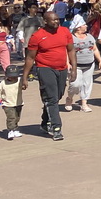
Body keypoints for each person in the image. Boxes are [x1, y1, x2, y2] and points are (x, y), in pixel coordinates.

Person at [23, 10, 77, 141]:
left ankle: (44, 123)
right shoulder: (37, 36)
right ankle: (56, 128)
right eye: (53, 20)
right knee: (52, 99)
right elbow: (30, 58)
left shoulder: (65, 32)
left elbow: (71, 50)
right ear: (45, 22)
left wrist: (74, 68)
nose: (57, 21)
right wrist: (25, 77)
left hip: (62, 68)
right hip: (45, 68)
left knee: (57, 96)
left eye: (57, 19)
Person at [66, 21, 101, 112]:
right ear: (78, 27)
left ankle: (84, 103)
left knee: (87, 84)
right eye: (84, 25)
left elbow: (95, 49)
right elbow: (66, 51)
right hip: (76, 66)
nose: (86, 26)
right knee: (75, 84)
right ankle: (69, 98)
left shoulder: (89, 36)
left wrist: (100, 60)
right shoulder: (71, 37)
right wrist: (67, 63)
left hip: (89, 64)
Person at [0, 65, 26, 139]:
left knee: (17, 117)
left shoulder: (19, 81)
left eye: (15, 76)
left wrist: (24, 85)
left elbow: (23, 86)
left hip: (18, 103)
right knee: (11, 117)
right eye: (11, 76)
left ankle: (15, 130)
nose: (13, 78)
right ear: (7, 75)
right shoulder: (3, 83)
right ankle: (10, 130)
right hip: (7, 104)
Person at [0, 5, 11, 73]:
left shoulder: (7, 17)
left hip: (3, 45)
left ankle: (9, 76)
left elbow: (8, 35)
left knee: (6, 63)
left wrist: (11, 43)